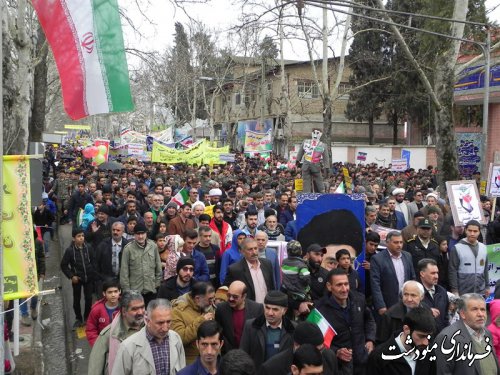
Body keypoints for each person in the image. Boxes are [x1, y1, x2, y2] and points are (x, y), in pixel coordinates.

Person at [111, 299, 186, 375]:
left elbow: (183, 370)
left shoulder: (176, 338)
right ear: (147, 321)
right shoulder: (128, 347)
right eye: (160, 323)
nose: (165, 328)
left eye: (168, 322)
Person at [434, 293, 499, 374]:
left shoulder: (487, 333)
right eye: (474, 309)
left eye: (483, 309)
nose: (481, 314)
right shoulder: (447, 338)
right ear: (463, 314)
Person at [88, 291, 146, 375]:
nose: (140, 312)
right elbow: (95, 369)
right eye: (134, 309)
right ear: (124, 311)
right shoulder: (109, 334)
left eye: (142, 307)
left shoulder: (152, 327)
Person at [367, 307, 437, 375]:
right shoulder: (379, 357)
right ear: (406, 329)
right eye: (421, 336)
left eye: (428, 336)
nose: (426, 342)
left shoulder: (429, 352)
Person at [240, 291, 296, 370]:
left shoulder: (293, 329)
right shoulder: (251, 326)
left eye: (275, 309)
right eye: (267, 308)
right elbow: (242, 355)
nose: (270, 313)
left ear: (284, 311)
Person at [260, 321, 338, 375]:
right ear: (296, 346)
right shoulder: (272, 368)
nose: (319, 354)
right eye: (315, 350)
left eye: (321, 349)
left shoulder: (329, 357)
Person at [60, 227, 100, 329]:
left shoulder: (89, 247)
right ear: (74, 238)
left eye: (82, 236)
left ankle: (87, 317)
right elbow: (64, 265)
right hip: (77, 279)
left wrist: (93, 273)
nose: (81, 238)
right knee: (76, 300)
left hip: (89, 278)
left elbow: (93, 261)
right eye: (79, 236)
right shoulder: (70, 251)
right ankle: (78, 318)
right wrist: (71, 276)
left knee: (89, 298)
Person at [370, 231, 416, 318]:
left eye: (401, 242)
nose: (399, 245)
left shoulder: (407, 256)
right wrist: (381, 305)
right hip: (388, 304)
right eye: (396, 242)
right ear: (387, 243)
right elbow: (375, 284)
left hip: (407, 302)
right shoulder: (377, 259)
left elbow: (412, 278)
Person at [171, 281, 216, 364]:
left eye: (213, 298)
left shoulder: (208, 308)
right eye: (209, 299)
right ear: (197, 299)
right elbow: (179, 338)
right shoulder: (177, 311)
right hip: (189, 362)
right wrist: (201, 321)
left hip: (209, 360)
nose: (212, 302)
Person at [119, 223, 163, 308]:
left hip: (151, 290)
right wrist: (127, 292)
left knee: (150, 315)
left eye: (142, 233)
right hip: (135, 292)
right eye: (138, 234)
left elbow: (158, 267)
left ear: (146, 234)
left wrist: (156, 284)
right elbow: (124, 273)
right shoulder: (128, 249)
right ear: (134, 235)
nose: (140, 236)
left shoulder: (153, 246)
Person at [215, 281, 263, 353]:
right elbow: (219, 332)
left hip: (250, 354)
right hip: (229, 355)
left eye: (235, 297)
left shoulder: (257, 308)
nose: (231, 299)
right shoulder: (221, 309)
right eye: (228, 295)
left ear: (244, 296)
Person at [224, 238, 275, 303]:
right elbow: (227, 291)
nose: (254, 252)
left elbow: (272, 287)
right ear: (242, 252)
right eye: (250, 249)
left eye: (255, 248)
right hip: (248, 310)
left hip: (267, 309)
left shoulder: (267, 264)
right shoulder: (235, 270)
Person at [449, 219, 490, 296]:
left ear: (479, 232)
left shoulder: (483, 248)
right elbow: (452, 270)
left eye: (475, 231)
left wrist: (487, 286)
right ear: (465, 230)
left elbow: (485, 269)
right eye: (470, 230)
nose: (472, 233)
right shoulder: (457, 248)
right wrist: (454, 290)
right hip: (463, 291)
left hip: (480, 291)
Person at [280, 241, 311, 317]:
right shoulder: (301, 265)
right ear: (300, 251)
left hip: (287, 292)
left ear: (288, 251)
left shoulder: (284, 262)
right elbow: (306, 278)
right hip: (300, 295)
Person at [86, 279, 121, 347]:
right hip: (103, 345)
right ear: (104, 293)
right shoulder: (96, 310)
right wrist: (98, 345)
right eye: (110, 292)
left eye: (115, 291)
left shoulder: (125, 306)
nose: (113, 295)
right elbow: (91, 330)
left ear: (120, 291)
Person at [418, 258, 449, 334]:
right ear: (422, 274)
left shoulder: (442, 291)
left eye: (437, 273)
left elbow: (445, 317)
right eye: (432, 273)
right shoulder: (414, 293)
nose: (436, 276)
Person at [295, 128, 325, 193]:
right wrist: (297, 161)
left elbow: (326, 157)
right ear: (311, 133)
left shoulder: (322, 145)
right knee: (306, 181)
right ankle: (307, 194)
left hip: (316, 165)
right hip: (306, 165)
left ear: (321, 134)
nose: (315, 135)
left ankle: (322, 193)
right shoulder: (305, 142)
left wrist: (327, 167)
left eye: (317, 133)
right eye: (314, 133)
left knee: (319, 181)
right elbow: (300, 152)